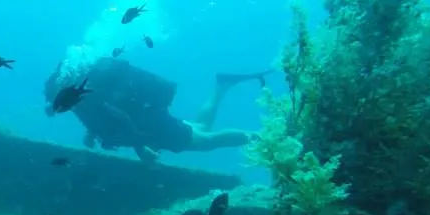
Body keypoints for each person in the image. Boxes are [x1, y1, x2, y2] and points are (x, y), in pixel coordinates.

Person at [44, 57, 267, 162]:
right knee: (201, 127)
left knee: (207, 141)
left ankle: (262, 137)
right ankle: (222, 85)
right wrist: (91, 134)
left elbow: (119, 116)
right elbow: (103, 118)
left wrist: (140, 147)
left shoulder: (84, 98)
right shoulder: (79, 101)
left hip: (152, 126)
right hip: (150, 119)